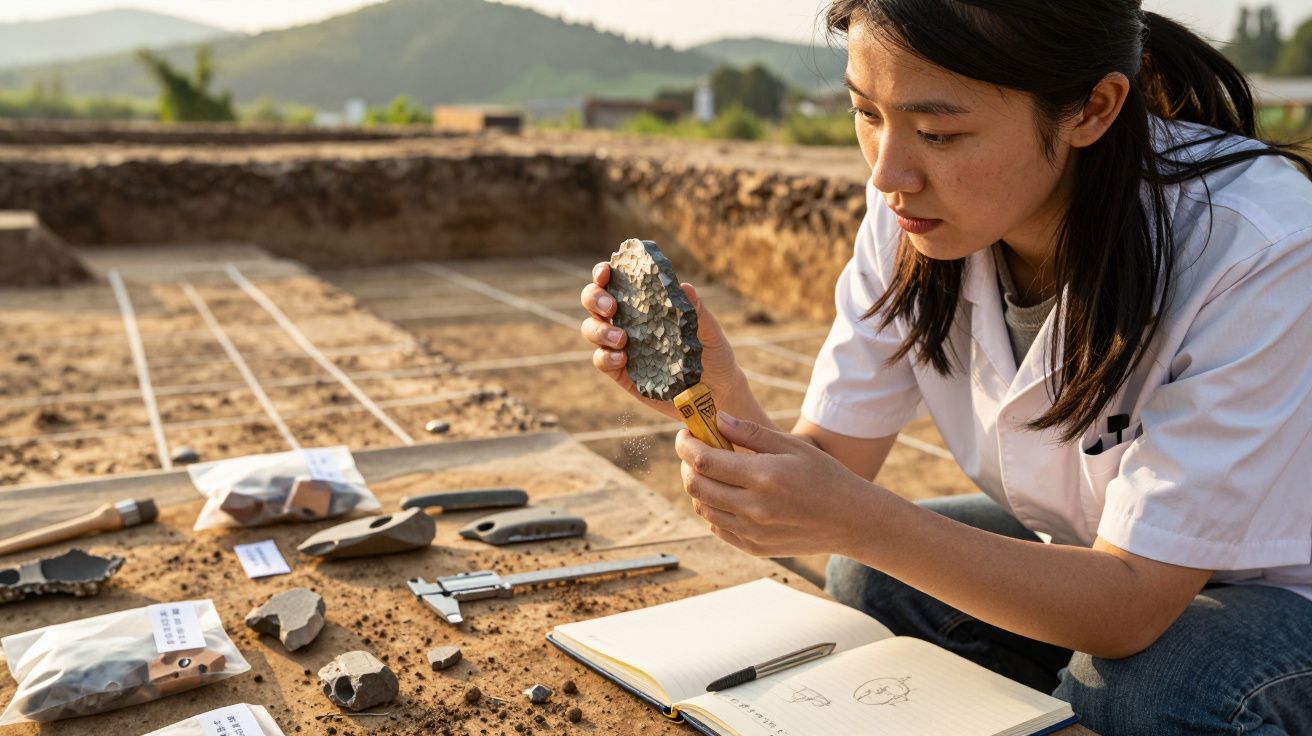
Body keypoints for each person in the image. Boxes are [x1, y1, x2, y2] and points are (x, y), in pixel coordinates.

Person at [580, 1, 1312, 733]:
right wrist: (712, 391)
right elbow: (832, 465)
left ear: (1093, 108)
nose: (889, 171)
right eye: (866, 113)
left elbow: (1130, 605)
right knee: (873, 578)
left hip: (1280, 587)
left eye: (938, 132)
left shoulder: (1259, 245)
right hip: (1107, 552)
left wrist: (859, 520)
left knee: (1149, 687)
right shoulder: (914, 213)